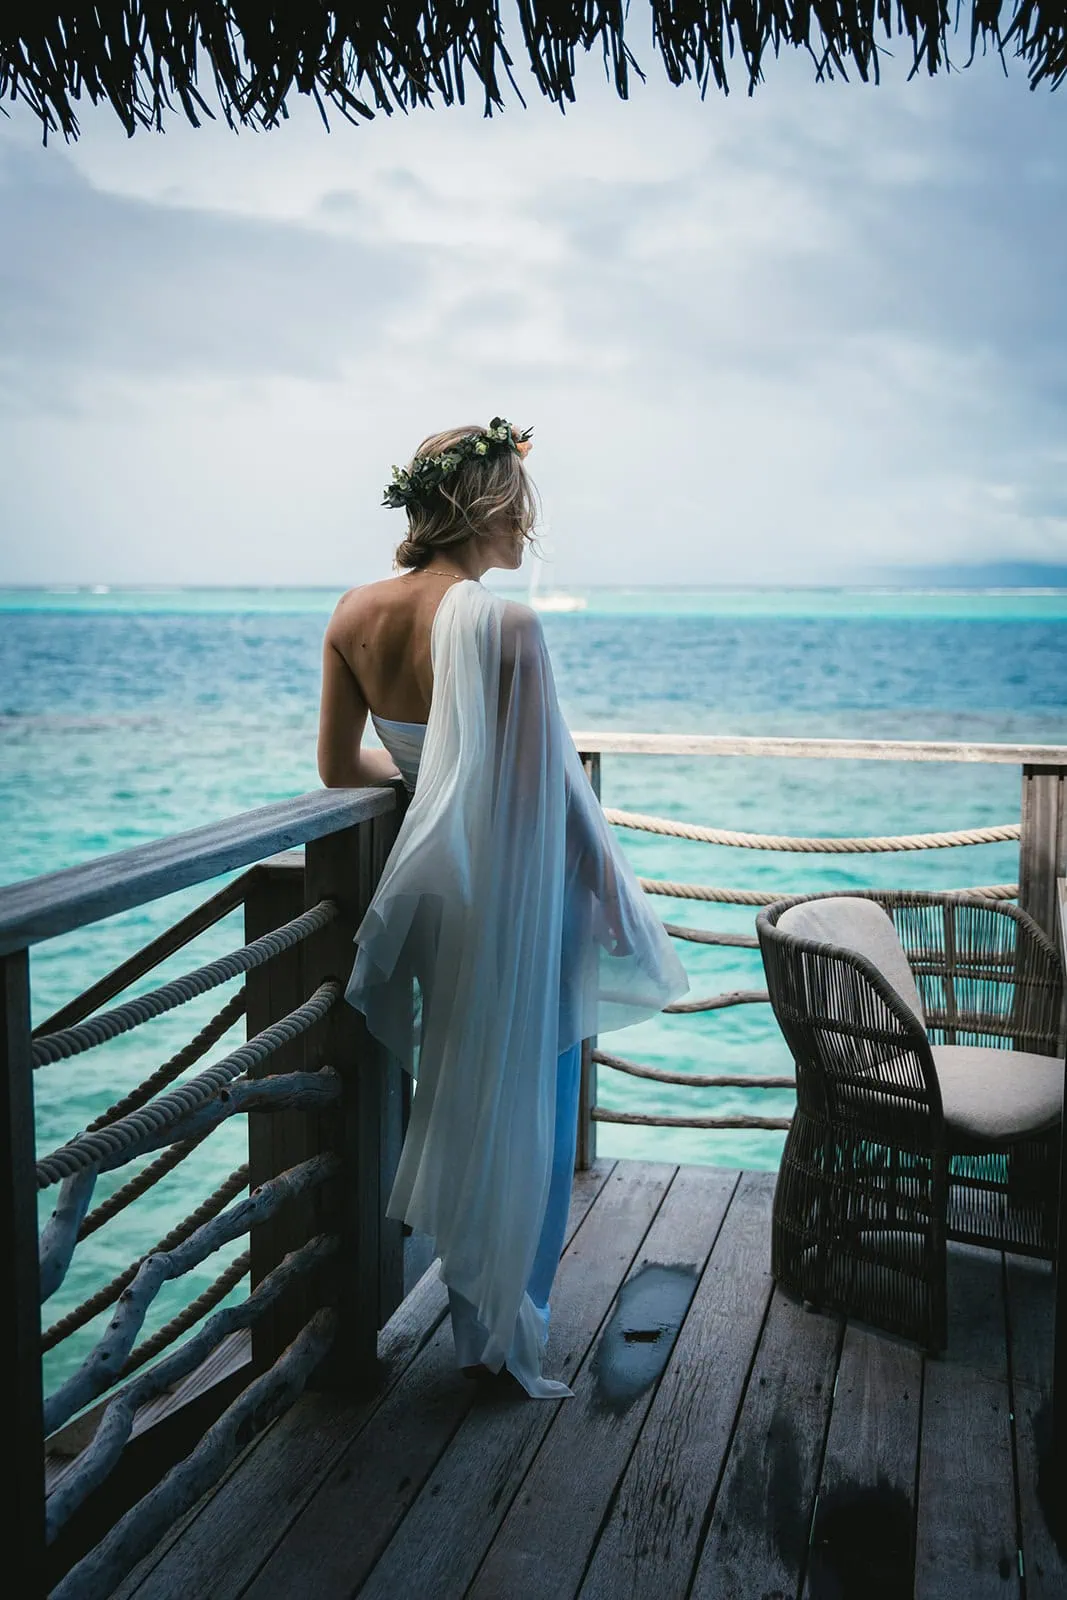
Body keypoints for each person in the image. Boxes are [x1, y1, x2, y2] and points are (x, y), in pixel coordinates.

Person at [317, 418, 688, 1398]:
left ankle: (476, 1314)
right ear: (485, 508)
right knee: (531, 1102)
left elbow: (331, 767)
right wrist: (608, 890)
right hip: (524, 904)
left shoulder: (353, 613)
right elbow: (552, 785)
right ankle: (503, 1327)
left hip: (443, 901)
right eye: (520, 503)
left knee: (462, 1089)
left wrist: (420, 787)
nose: (529, 523)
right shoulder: (506, 625)